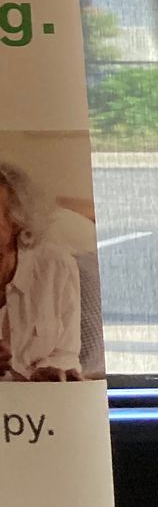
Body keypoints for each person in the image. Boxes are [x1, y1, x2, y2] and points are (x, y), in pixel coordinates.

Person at [0, 159, 83, 382]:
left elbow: (66, 353)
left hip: (40, 398)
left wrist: (47, 372)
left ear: (17, 220)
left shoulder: (56, 266)